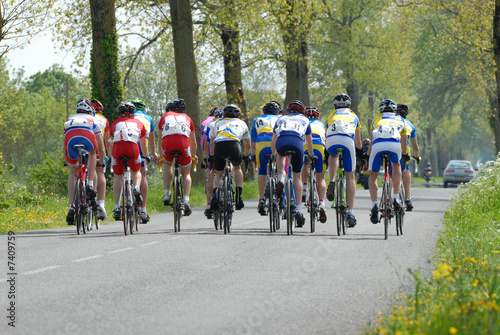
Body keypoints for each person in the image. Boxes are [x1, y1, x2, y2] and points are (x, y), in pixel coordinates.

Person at [271, 100, 314, 228]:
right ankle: (299, 211)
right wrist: (311, 156)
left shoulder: (280, 118)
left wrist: (273, 154)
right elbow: (309, 140)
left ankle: (280, 179)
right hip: (297, 143)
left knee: (280, 155)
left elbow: (274, 139)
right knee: (297, 176)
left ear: (288, 111)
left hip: (282, 142)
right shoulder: (305, 120)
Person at [64, 98, 106, 225]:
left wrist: (66, 159)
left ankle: (72, 206)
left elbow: (64, 141)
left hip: (70, 140)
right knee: (93, 153)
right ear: (91, 110)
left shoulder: (69, 119)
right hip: (87, 138)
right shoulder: (93, 119)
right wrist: (102, 161)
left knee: (73, 172)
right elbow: (100, 145)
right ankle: (90, 183)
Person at [367, 99, 409, 224]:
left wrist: (367, 155)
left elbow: (372, 139)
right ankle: (395, 197)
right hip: (394, 145)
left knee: (373, 175)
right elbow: (403, 140)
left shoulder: (376, 119)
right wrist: (405, 154)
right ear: (394, 110)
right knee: (396, 166)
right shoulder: (400, 119)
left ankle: (374, 204)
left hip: (378, 146)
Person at [325, 94, 362, 227]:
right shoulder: (354, 116)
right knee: (350, 177)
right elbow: (358, 143)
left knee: (333, 155)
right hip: (347, 142)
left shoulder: (330, 116)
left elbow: (326, 135)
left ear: (334, 106)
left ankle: (332, 180)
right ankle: (350, 212)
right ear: (349, 106)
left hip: (331, 141)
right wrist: (360, 152)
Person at [158, 99, 198, 216]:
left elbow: (160, 139)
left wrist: (161, 155)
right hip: (183, 143)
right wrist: (194, 155)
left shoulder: (165, 116)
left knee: (168, 164)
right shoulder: (188, 118)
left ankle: (166, 193)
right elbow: (193, 142)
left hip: (168, 144)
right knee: (186, 173)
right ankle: (186, 199)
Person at [109, 102, 147, 220]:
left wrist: (110, 158)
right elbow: (142, 143)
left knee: (118, 176)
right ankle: (136, 187)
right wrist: (145, 156)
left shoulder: (115, 123)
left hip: (117, 149)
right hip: (132, 148)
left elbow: (111, 142)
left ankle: (116, 207)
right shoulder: (139, 123)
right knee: (136, 171)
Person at [209, 104, 251, 211]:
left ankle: (215, 196)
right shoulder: (242, 123)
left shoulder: (217, 122)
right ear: (238, 115)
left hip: (219, 146)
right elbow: (247, 145)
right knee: (237, 168)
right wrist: (245, 156)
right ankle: (238, 196)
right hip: (234, 146)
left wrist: (212, 156)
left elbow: (212, 144)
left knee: (218, 173)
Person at [251, 101, 281, 216]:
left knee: (262, 172)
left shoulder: (257, 120)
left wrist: (253, 155)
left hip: (261, 146)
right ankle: (280, 190)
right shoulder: (280, 119)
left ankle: (262, 199)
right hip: (276, 145)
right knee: (280, 170)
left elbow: (253, 142)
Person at [131, 99, 159, 223]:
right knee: (142, 175)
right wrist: (153, 153)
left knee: (126, 171)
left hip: (126, 144)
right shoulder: (148, 118)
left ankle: (125, 201)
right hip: (141, 146)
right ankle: (143, 209)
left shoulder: (128, 116)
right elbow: (152, 140)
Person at [301, 106, 327, 223]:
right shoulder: (321, 124)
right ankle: (321, 203)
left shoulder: (303, 122)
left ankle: (305, 188)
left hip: (305, 145)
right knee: (320, 177)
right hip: (319, 146)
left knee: (305, 164)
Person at [396, 104, 421, 211]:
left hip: (391, 148)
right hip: (404, 150)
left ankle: (393, 195)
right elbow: (415, 146)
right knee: (406, 171)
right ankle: (407, 198)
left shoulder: (391, 121)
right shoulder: (410, 125)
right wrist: (416, 157)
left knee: (393, 173)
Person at [90, 99, 111, 220]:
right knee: (100, 171)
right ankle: (101, 204)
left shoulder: (84, 117)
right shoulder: (104, 120)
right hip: (98, 146)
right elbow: (107, 142)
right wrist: (108, 157)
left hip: (83, 143)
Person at [202, 107, 224, 218]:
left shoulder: (210, 124)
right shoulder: (228, 123)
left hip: (213, 151)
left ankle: (209, 204)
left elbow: (206, 144)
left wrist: (205, 158)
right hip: (228, 150)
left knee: (211, 174)